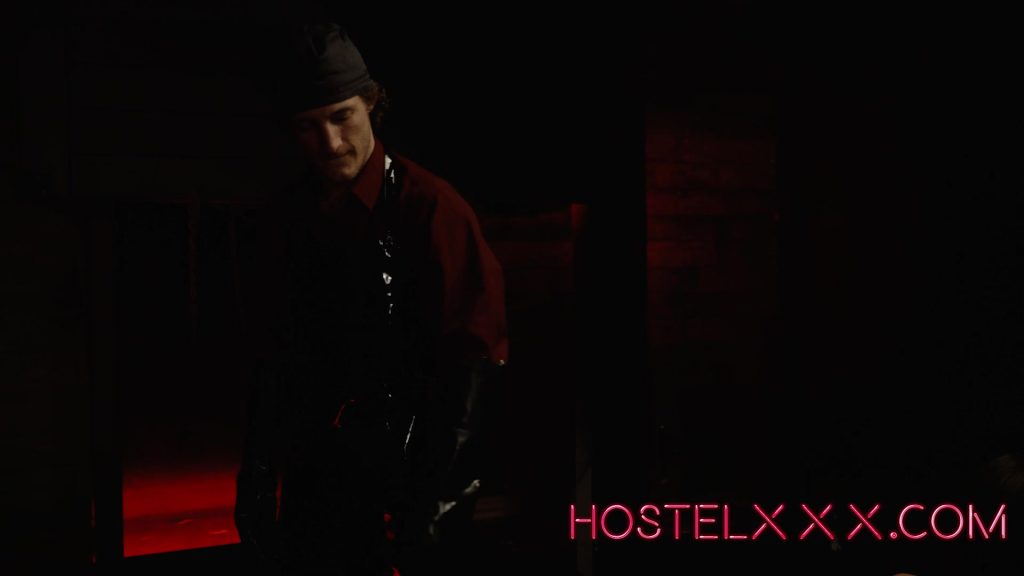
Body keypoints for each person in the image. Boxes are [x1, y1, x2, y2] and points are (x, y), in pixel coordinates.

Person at [233, 23, 508, 575]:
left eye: (342, 117)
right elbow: (274, 353)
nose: (331, 143)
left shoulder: (432, 209)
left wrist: (436, 501)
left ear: (371, 105)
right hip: (316, 475)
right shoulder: (288, 217)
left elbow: (472, 360)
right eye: (309, 126)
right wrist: (258, 475)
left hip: (407, 475)